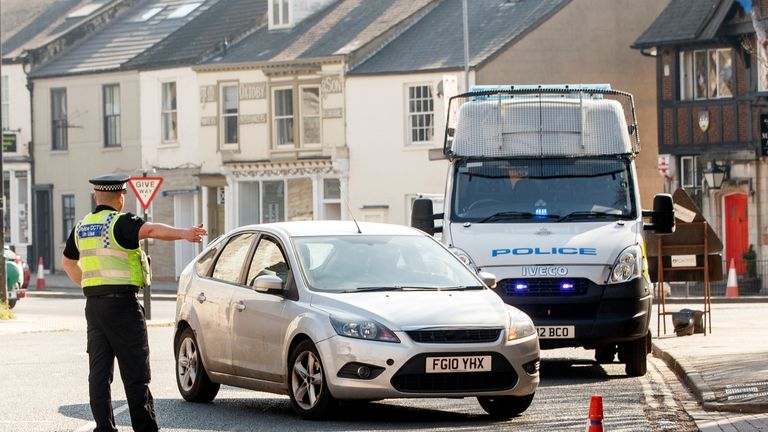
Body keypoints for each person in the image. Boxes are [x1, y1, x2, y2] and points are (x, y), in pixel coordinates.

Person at [61, 173, 207, 432]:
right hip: (123, 307)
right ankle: (145, 428)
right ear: (120, 198)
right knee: (135, 372)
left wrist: (91, 283)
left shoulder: (82, 226)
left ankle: (104, 428)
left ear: (97, 196)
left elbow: (67, 263)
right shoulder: (120, 223)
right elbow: (150, 230)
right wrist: (185, 233)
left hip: (94, 307)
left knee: (99, 372)